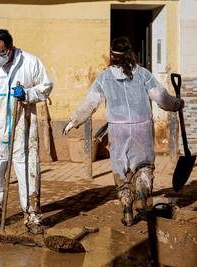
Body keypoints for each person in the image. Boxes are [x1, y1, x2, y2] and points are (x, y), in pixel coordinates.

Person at [63, 36, 184, 226]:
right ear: (130, 54)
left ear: (112, 55)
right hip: (141, 127)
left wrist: (74, 121)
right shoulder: (143, 74)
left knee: (121, 171)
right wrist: (176, 104)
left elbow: (90, 103)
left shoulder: (104, 77)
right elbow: (161, 98)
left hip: (117, 130)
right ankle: (142, 197)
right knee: (144, 166)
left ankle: (127, 212)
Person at [0, 29, 53, 234]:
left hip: (24, 127)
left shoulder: (30, 62)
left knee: (28, 169)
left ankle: (32, 214)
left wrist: (27, 93)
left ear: (10, 48)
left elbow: (47, 87)